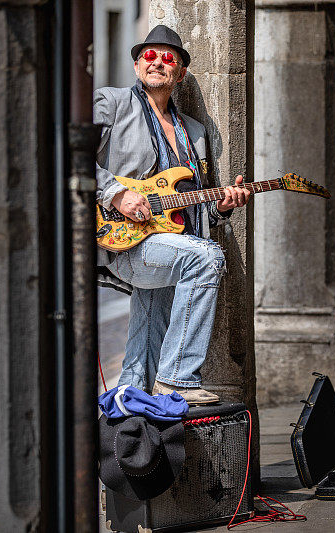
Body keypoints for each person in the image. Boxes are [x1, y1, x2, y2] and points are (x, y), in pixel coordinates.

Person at [94, 25, 251, 405]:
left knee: (142, 350)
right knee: (207, 258)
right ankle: (179, 378)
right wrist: (117, 194)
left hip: (170, 240)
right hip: (124, 239)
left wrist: (220, 207)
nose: (158, 63)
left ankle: (130, 423)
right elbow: (69, 156)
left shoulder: (193, 131)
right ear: (136, 65)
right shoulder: (112, 102)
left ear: (179, 73)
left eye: (168, 58)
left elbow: (190, 202)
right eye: (150, 55)